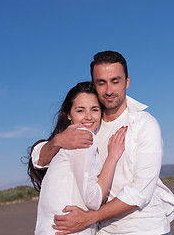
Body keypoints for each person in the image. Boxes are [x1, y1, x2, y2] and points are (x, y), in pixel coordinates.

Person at [31, 51, 174, 235]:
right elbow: (38, 159)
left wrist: (89, 217)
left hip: (143, 228)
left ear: (127, 81)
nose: (108, 90)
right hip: (102, 230)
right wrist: (57, 141)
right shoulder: (89, 124)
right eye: (101, 82)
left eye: (115, 81)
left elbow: (140, 192)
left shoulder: (144, 125)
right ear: (94, 84)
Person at [29, 81, 127, 235]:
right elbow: (93, 200)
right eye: (80, 110)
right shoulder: (83, 138)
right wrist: (112, 157)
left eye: (94, 109)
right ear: (69, 114)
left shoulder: (67, 142)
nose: (88, 116)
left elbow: (37, 157)